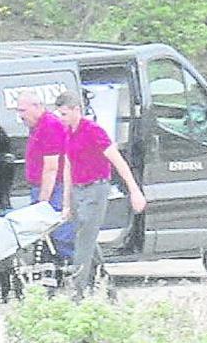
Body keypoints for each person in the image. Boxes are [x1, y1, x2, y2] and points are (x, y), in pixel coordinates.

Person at [55, 90, 147, 297]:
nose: (61, 118)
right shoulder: (68, 132)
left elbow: (118, 161)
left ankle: (77, 293)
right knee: (85, 237)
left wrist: (134, 191)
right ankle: (108, 290)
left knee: (83, 240)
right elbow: (68, 166)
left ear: (76, 110)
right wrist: (66, 203)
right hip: (78, 190)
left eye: (64, 114)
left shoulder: (93, 131)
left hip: (95, 188)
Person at [16, 90, 74, 260]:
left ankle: (78, 273)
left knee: (60, 234)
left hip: (54, 188)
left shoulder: (50, 126)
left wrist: (43, 201)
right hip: (41, 186)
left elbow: (51, 168)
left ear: (37, 107)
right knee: (46, 237)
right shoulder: (36, 126)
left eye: (22, 111)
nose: (20, 116)